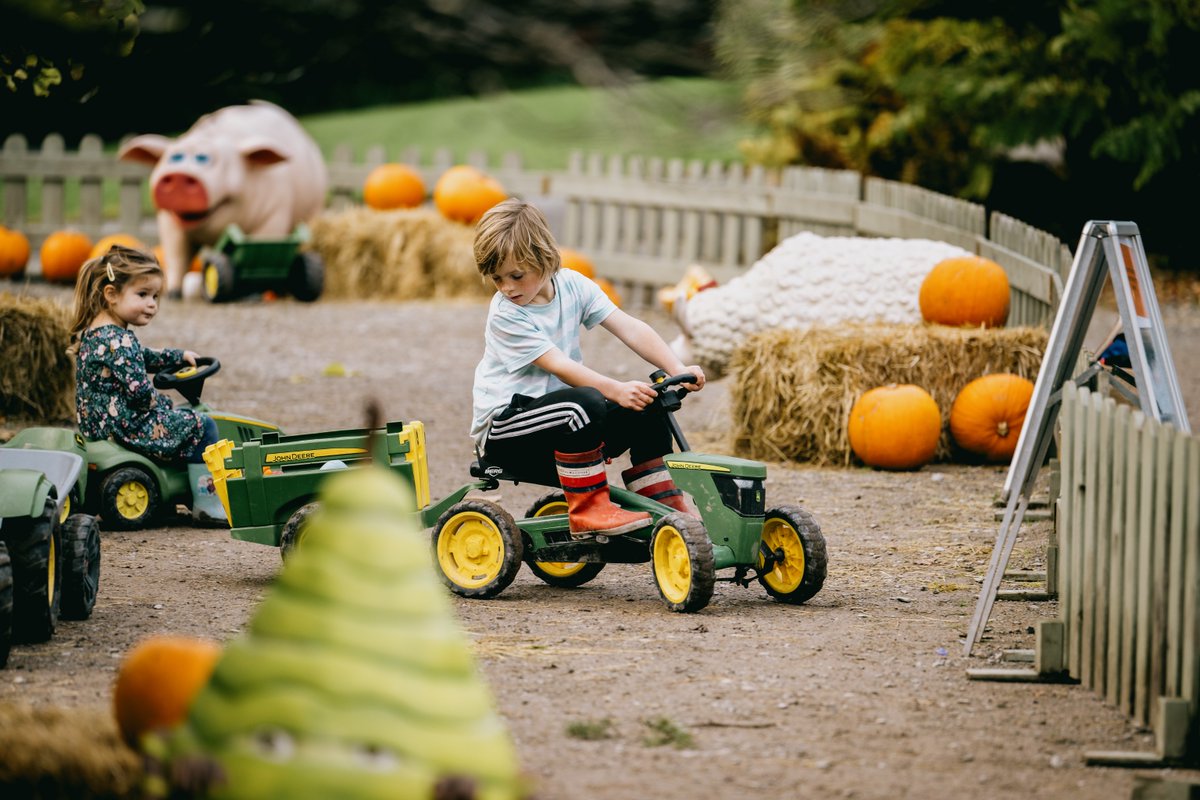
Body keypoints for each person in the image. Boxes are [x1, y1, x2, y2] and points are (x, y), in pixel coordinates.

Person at [471, 199, 706, 539]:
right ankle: (589, 512)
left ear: (543, 258)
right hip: (508, 427)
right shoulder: (506, 315)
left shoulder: (573, 286)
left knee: (649, 402)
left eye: (516, 275)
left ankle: (663, 506)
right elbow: (560, 366)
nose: (507, 287)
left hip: (565, 420)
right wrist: (614, 389)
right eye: (497, 278)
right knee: (586, 402)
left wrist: (676, 366)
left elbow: (628, 326)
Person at [69, 244, 226, 524]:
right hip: (127, 428)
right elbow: (140, 393)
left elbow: (142, 357)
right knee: (202, 425)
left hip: (99, 425)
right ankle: (208, 503)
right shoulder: (121, 340)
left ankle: (176, 490)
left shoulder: (97, 334)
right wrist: (162, 402)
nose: (152, 303)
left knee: (179, 416)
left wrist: (178, 357)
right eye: (142, 295)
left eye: (155, 295)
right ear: (111, 294)